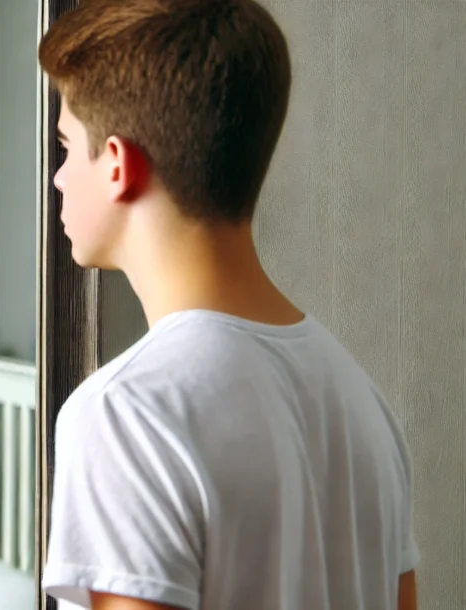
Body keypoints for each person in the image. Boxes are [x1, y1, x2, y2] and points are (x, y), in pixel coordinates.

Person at [37, 2, 419, 609]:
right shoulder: (362, 405)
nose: (57, 178)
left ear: (117, 165)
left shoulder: (126, 415)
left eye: (64, 145)